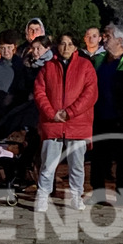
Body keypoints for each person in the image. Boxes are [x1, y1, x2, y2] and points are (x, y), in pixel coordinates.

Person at [32, 32, 99, 212]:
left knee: (77, 164)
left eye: (70, 44)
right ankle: (43, 194)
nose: (66, 47)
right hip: (52, 124)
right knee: (48, 163)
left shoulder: (86, 66)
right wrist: (51, 113)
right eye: (63, 43)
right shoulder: (48, 67)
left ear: (76, 47)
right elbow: (39, 92)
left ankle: (76, 195)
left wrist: (70, 112)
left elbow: (90, 94)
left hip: (77, 124)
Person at [89, 24, 123, 206]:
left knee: (122, 157)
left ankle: (122, 193)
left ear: (119, 40)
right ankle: (97, 192)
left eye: (107, 36)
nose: (103, 38)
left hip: (121, 117)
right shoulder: (99, 59)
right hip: (100, 114)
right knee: (99, 156)